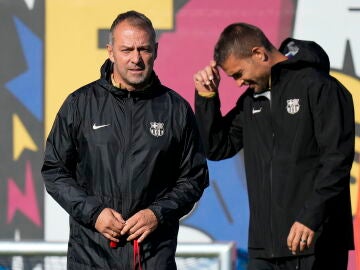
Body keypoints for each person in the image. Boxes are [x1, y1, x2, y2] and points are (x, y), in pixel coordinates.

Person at [42, 10, 209, 270]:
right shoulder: (80, 104)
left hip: (153, 257)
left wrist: (157, 214)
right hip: (91, 257)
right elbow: (54, 170)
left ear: (156, 50)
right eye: (126, 50)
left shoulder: (176, 109)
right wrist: (94, 214)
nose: (136, 59)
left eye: (144, 49)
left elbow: (194, 178)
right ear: (110, 52)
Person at [194, 22, 354, 269]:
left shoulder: (319, 86)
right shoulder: (251, 100)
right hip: (264, 248)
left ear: (259, 54)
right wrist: (207, 98)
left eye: (238, 74)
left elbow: (336, 161)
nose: (238, 83)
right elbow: (218, 147)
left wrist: (310, 218)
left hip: (314, 241)